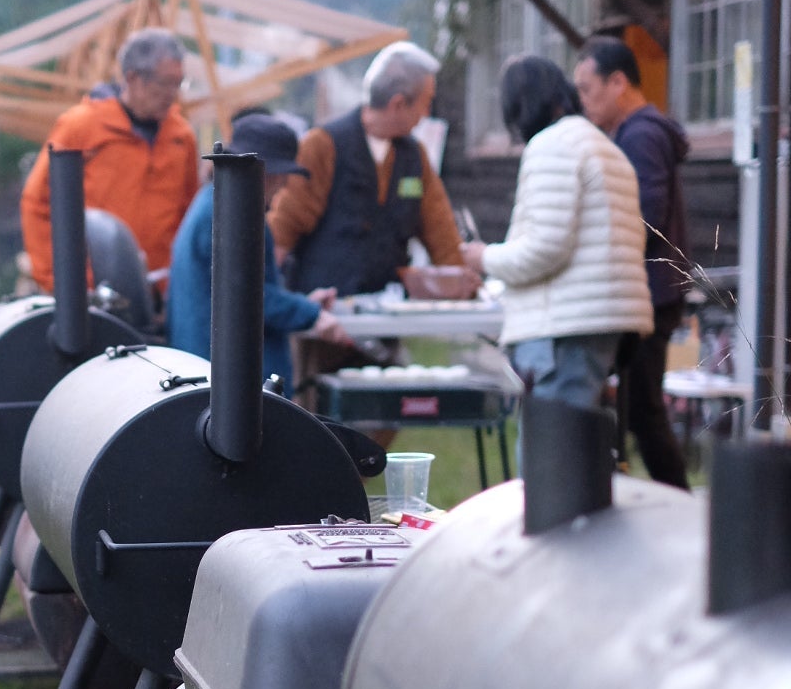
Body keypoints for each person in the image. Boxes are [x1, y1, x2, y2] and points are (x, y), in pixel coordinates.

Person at [460, 55, 652, 414]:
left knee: (553, 457)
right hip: (597, 322)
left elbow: (546, 249)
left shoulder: (553, 145)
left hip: (563, 330)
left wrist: (482, 257)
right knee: (580, 450)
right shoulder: (602, 146)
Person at [268, 40, 482, 300]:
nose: (426, 114)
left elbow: (441, 232)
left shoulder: (415, 158)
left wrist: (463, 286)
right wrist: (265, 298)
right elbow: (283, 225)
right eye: (425, 103)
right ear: (398, 104)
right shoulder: (322, 146)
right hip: (324, 316)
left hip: (385, 315)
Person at [574, 36, 691, 488]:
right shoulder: (635, 131)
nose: (583, 101)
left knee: (644, 414)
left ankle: (683, 511)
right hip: (648, 293)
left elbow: (644, 220)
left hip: (649, 296)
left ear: (618, 82)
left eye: (588, 89)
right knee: (635, 412)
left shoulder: (640, 134)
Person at [167, 113, 346, 394]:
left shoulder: (218, 205)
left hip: (213, 370)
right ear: (266, 174)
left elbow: (249, 289)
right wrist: (311, 314)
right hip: (225, 380)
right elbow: (246, 297)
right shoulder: (230, 215)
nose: (284, 186)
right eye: (281, 177)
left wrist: (303, 304)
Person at [20, 28, 199, 296]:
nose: (173, 94)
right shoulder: (81, 128)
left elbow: (189, 216)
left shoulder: (181, 137)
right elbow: (38, 204)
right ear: (133, 78)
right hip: (93, 292)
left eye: (179, 83)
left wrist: (178, 284)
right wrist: (65, 283)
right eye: (165, 83)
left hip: (162, 295)